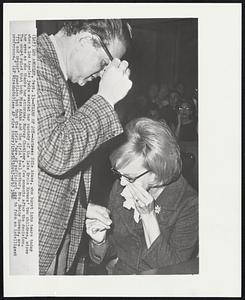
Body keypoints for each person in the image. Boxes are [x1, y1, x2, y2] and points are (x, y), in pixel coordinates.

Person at [38, 19, 132, 275]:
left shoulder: (54, 72)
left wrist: (79, 209)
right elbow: (54, 153)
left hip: (53, 235)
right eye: (105, 63)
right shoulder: (35, 64)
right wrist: (105, 99)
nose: (103, 73)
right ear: (87, 39)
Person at [86, 118, 198, 275]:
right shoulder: (120, 187)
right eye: (119, 174)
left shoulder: (189, 204)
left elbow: (173, 272)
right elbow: (115, 248)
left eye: (130, 177)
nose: (122, 183)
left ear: (158, 174)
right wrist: (99, 241)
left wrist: (148, 217)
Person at [175, 101, 198, 189]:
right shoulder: (175, 123)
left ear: (191, 111)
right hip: (181, 153)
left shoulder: (196, 122)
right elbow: (175, 141)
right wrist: (179, 124)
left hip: (194, 152)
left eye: (187, 108)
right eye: (181, 108)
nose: (184, 111)